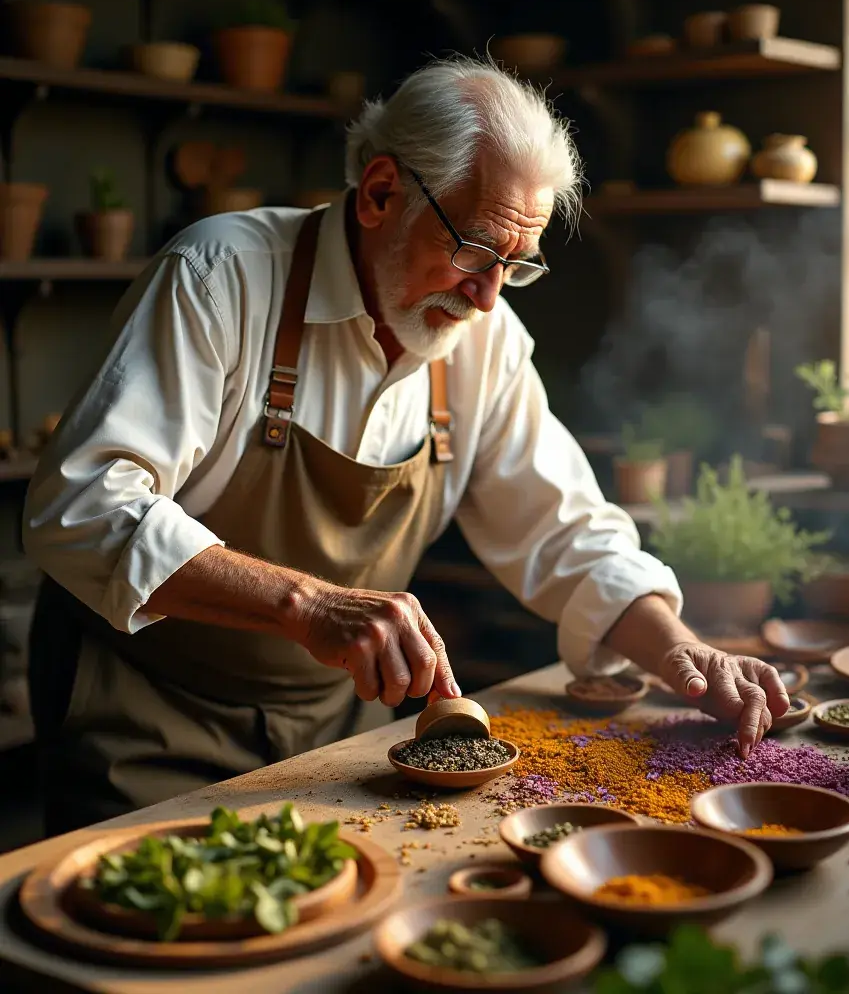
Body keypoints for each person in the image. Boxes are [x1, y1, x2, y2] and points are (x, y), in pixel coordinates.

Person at [23, 56, 788, 836]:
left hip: (331, 733)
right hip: (146, 719)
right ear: (382, 192)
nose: (487, 296)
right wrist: (310, 605)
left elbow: (565, 531)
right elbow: (81, 504)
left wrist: (683, 650)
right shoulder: (222, 277)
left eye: (515, 265)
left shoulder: (483, 339)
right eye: (475, 251)